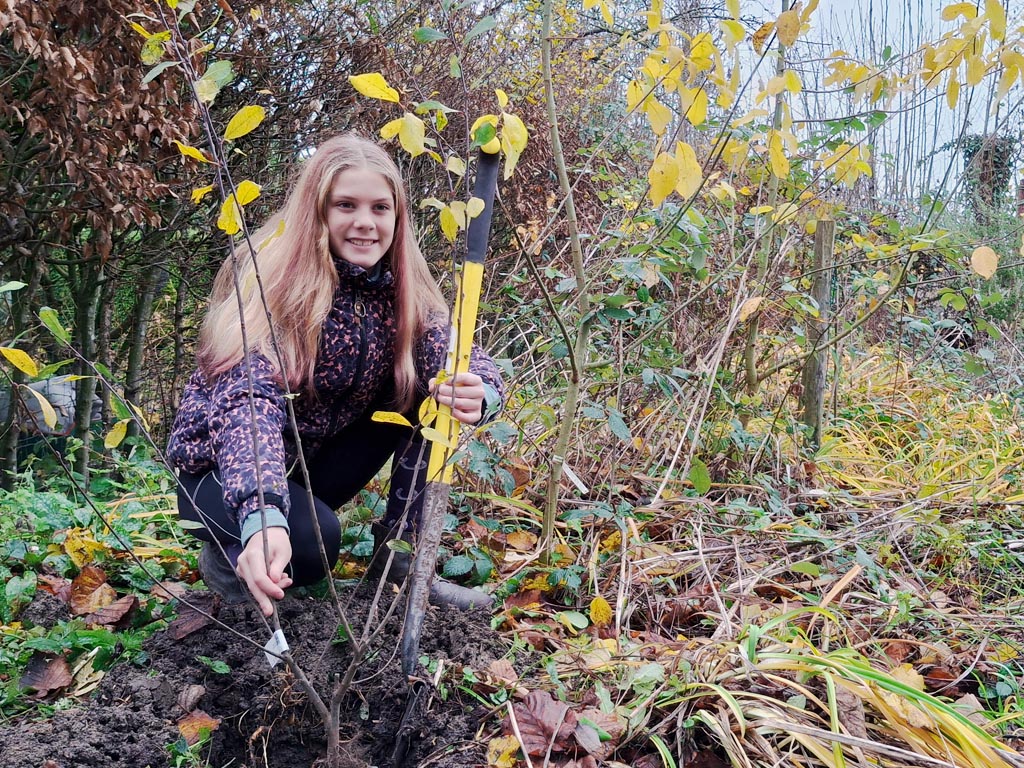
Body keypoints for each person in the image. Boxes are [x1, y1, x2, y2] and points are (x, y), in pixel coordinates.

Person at [167, 134, 504, 617]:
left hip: (310, 462)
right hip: (222, 473)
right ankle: (231, 558)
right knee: (313, 543)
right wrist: (263, 515)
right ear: (317, 212)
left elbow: (458, 357)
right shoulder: (271, 288)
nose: (364, 223)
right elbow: (248, 407)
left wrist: (481, 391)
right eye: (345, 205)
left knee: (431, 396)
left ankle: (402, 561)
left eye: (380, 208)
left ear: (397, 217)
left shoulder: (403, 291)